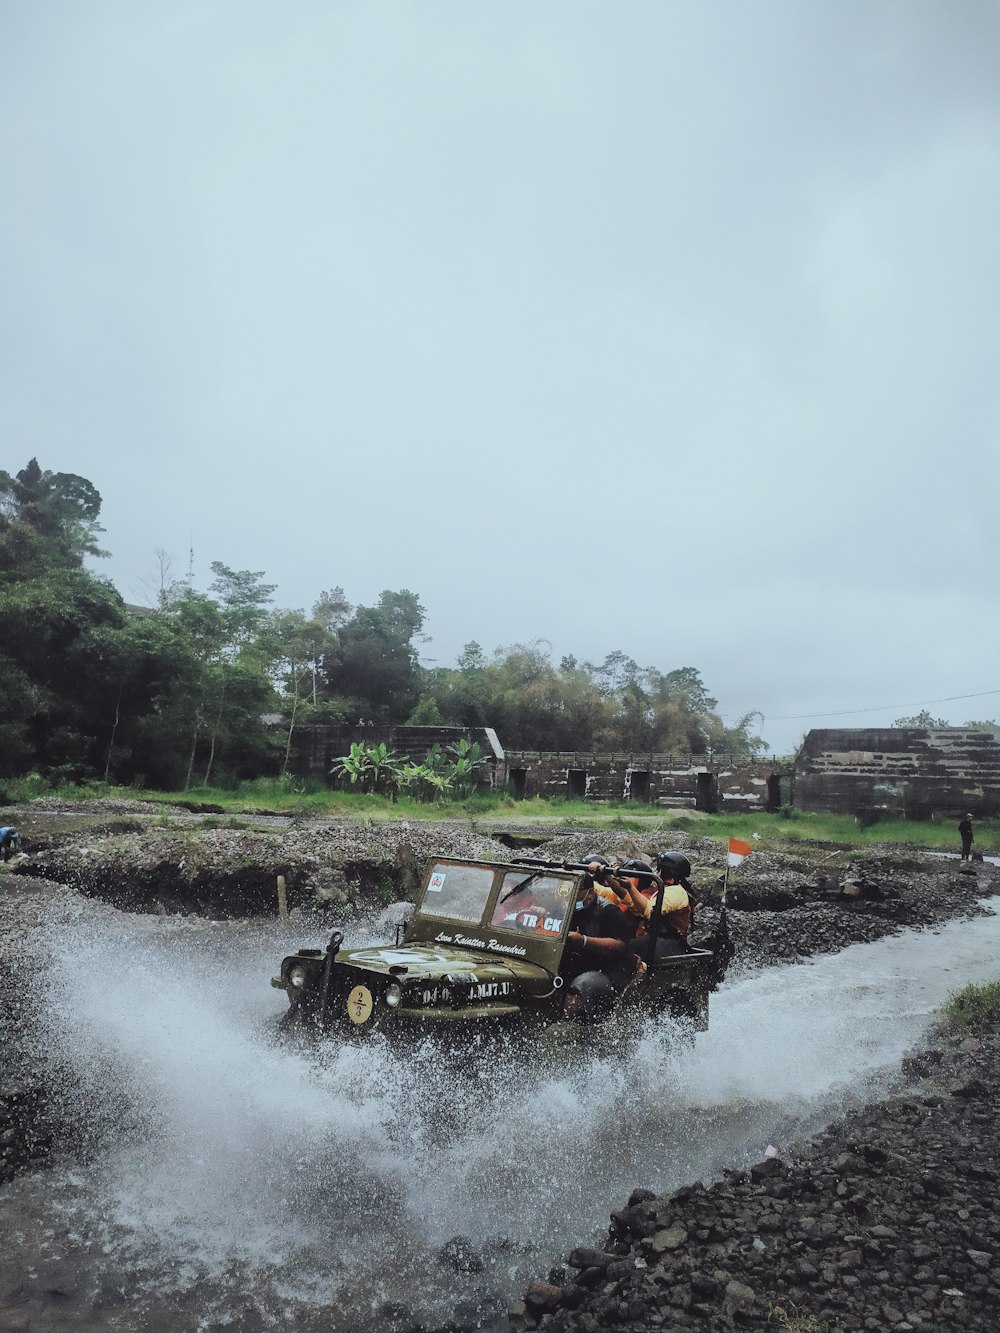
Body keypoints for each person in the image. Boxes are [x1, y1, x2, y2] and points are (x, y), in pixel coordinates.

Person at [561, 871, 636, 992]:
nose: (570, 900)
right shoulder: (568, 908)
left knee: (580, 986)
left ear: (590, 893)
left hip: (611, 969)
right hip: (580, 961)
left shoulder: (608, 911)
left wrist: (584, 941)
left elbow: (619, 946)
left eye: (575, 895)